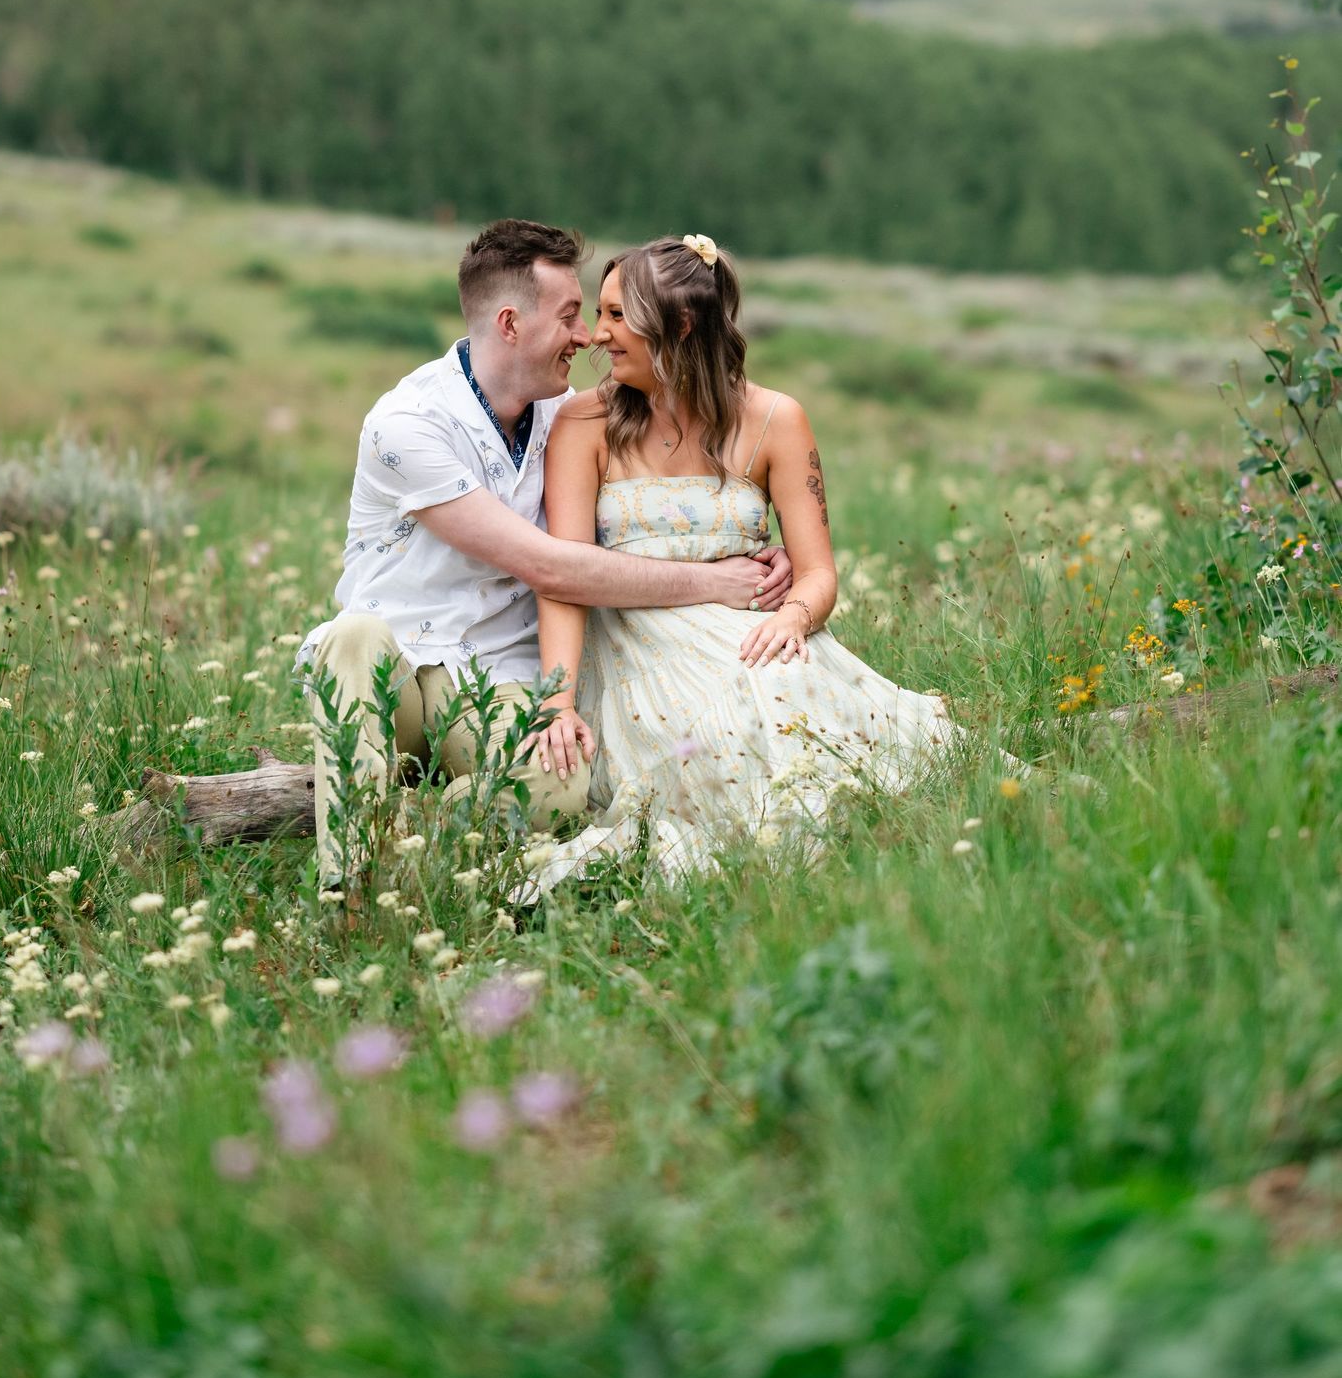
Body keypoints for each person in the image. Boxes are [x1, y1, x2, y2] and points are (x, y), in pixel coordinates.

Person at [299, 219, 792, 880]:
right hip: (396, 675)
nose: (585, 336)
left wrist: (760, 553)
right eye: (568, 317)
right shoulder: (407, 425)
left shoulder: (572, 417)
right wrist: (712, 583)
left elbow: (663, 475)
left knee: (561, 785)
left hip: (499, 680)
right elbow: (545, 564)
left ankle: (414, 842)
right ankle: (349, 885)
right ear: (509, 323)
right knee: (352, 637)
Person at [528, 232, 965, 890]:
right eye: (599, 312)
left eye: (618, 316)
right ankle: (788, 863)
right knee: (730, 722)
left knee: (787, 687)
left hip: (751, 628)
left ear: (678, 326)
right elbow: (563, 579)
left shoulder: (775, 420)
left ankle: (859, 859)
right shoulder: (584, 424)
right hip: (635, 649)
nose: (598, 334)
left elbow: (818, 573)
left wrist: (794, 616)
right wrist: (557, 704)